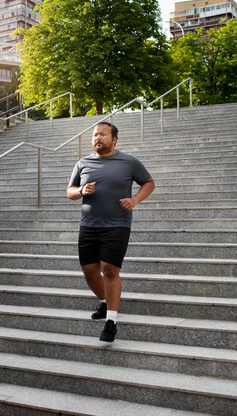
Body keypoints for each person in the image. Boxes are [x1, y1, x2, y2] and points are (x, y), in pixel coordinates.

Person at [67, 121, 154, 342]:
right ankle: (106, 303)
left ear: (114, 139)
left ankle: (111, 322)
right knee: (90, 272)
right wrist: (81, 190)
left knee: (110, 270)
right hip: (89, 225)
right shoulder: (83, 163)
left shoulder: (128, 162)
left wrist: (135, 199)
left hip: (117, 224)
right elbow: (69, 192)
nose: (98, 138)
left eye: (103, 134)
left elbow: (149, 183)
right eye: (95, 135)